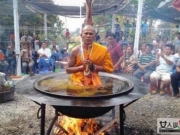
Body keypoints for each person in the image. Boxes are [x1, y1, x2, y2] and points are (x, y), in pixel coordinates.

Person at [66, 0, 113, 86]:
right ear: (81, 35)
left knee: (97, 88)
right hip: (77, 79)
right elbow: (67, 70)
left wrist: (93, 67)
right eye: (86, 33)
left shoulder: (102, 50)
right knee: (79, 88)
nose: (88, 36)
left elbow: (109, 68)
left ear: (94, 36)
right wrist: (81, 67)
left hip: (93, 77)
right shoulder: (75, 50)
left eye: (91, 34)